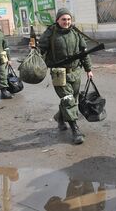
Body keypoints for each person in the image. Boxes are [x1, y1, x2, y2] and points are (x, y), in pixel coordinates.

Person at [38, 8, 93, 145]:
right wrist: (34, 51)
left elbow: (84, 52)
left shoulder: (76, 32)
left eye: (68, 19)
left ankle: (60, 118)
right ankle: (75, 130)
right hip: (58, 72)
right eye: (63, 19)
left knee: (72, 99)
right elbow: (40, 49)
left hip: (75, 72)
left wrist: (88, 69)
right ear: (57, 20)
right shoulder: (50, 33)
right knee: (68, 100)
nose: (66, 22)